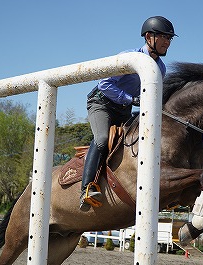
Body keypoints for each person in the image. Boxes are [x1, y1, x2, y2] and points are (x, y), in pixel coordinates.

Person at [80, 16, 177, 211]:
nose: (168, 42)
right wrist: (131, 100)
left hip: (124, 109)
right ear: (149, 37)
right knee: (101, 139)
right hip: (101, 103)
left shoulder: (160, 68)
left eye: (170, 38)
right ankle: (86, 189)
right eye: (164, 37)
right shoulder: (129, 57)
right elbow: (105, 85)